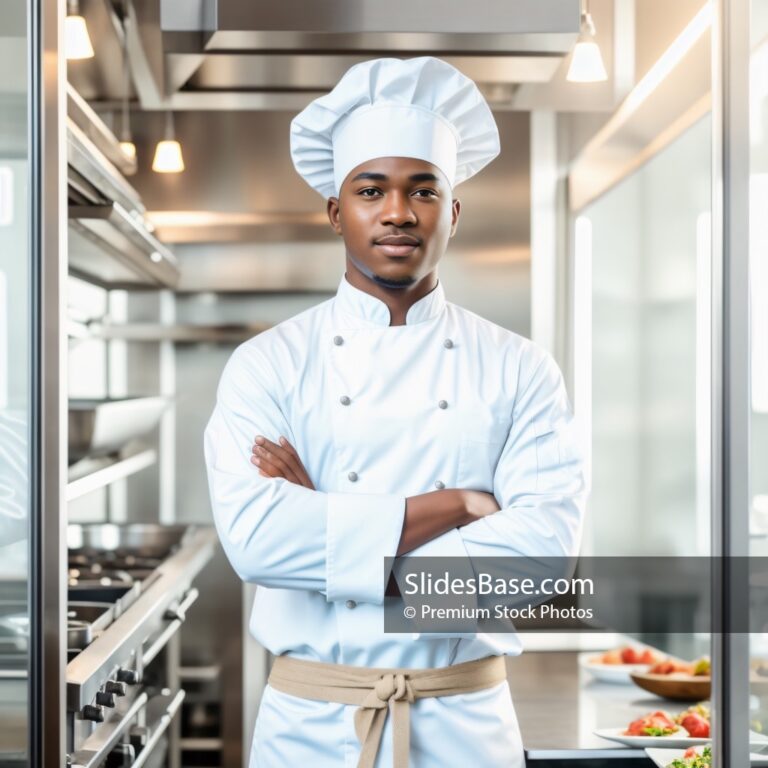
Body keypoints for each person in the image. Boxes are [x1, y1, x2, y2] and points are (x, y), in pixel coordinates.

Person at [204, 56, 585, 768]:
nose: (398, 213)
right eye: (371, 190)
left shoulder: (521, 366)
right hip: (312, 728)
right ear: (334, 210)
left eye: (423, 191)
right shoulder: (268, 364)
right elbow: (257, 543)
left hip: (465, 724)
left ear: (454, 211)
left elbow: (540, 560)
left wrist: (331, 527)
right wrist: (461, 503)